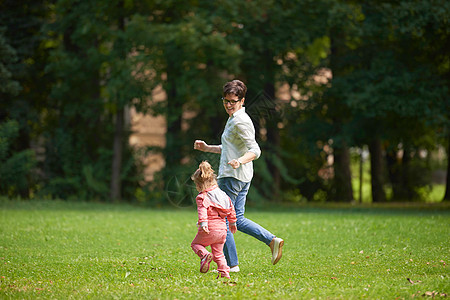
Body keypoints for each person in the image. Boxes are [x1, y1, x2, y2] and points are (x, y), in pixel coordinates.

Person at [194, 79, 284, 272]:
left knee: (221, 220)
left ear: (242, 100)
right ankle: (272, 240)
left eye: (233, 101)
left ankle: (232, 265)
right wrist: (207, 148)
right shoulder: (234, 118)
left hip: (232, 177)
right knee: (238, 218)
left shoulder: (240, 121)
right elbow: (229, 149)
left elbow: (255, 150)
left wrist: (240, 161)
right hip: (241, 176)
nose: (228, 105)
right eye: (225, 100)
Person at [190, 161, 237, 279]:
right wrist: (232, 222)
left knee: (196, 244)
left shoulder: (202, 197)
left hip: (209, 228)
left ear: (199, 185)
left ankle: (204, 255)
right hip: (222, 231)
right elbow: (231, 208)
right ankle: (224, 274)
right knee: (219, 254)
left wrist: (204, 223)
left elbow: (202, 211)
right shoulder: (223, 195)